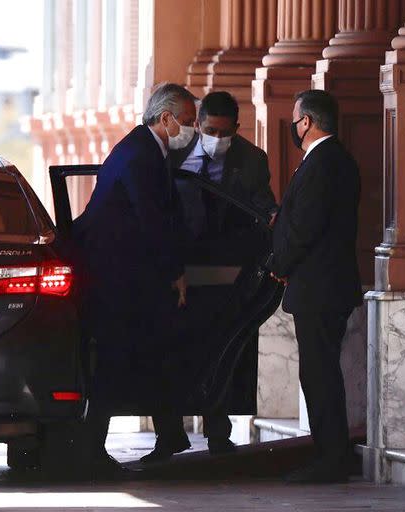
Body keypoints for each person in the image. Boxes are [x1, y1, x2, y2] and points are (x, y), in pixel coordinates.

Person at [140, 91, 277, 464]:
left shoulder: (251, 160)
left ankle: (218, 435)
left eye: (224, 131)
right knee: (169, 352)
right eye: (209, 129)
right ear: (197, 125)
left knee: (217, 350)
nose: (216, 137)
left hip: (224, 272)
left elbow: (260, 206)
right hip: (177, 271)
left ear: (236, 128)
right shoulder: (173, 151)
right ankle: (168, 436)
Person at [73, 82, 197, 478]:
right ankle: (93, 449)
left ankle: (169, 433)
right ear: (166, 118)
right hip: (117, 279)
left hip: (129, 277)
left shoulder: (147, 149)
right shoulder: (141, 154)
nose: (191, 131)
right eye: (189, 122)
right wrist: (174, 272)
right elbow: (152, 222)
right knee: (116, 359)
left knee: (154, 352)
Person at [270, 90, 362, 483]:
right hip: (325, 286)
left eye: (296, 119)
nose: (294, 126)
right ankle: (329, 454)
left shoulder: (324, 163)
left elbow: (305, 227)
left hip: (320, 288)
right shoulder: (331, 160)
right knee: (319, 372)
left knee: (320, 374)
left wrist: (278, 263)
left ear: (306, 121)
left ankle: (331, 458)